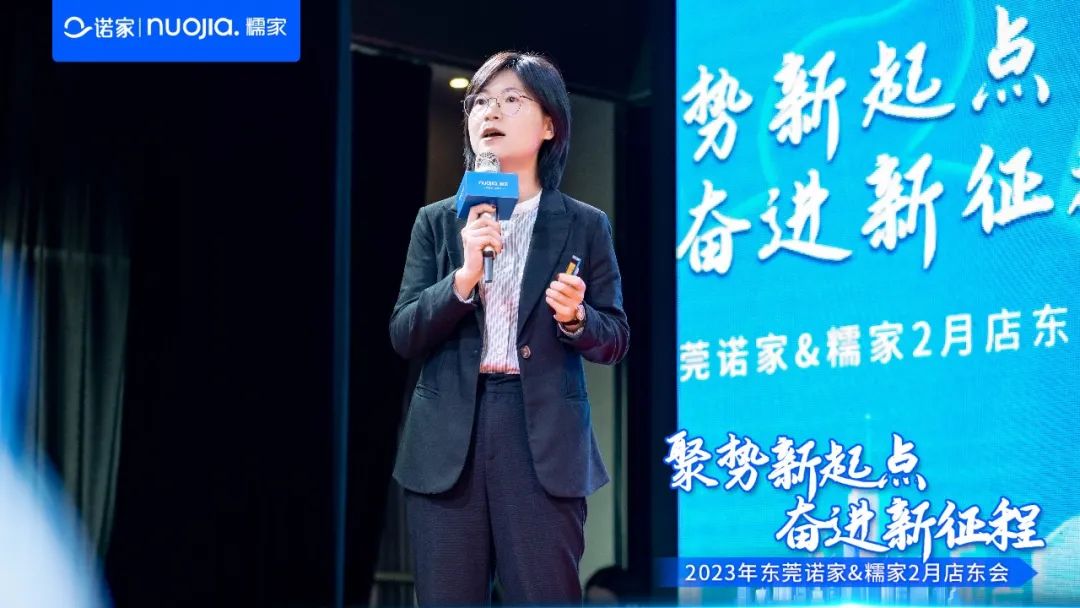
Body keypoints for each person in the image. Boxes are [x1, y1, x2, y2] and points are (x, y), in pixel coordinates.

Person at [389, 50, 630, 606]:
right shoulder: (439, 222)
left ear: (550, 125)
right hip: (449, 439)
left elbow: (615, 337)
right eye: (479, 102)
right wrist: (463, 279)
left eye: (511, 99)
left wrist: (577, 318)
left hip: (540, 437)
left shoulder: (585, 224)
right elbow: (404, 332)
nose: (489, 112)